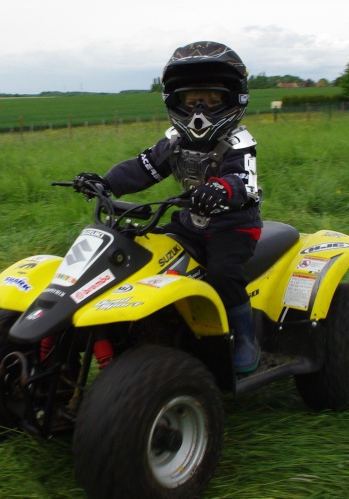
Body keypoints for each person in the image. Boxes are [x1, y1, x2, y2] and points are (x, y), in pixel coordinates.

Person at [74, 41, 262, 373]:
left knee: (223, 274)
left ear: (232, 100)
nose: (199, 112)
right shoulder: (174, 143)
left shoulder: (237, 143)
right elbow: (142, 167)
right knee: (147, 251)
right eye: (191, 101)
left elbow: (242, 181)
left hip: (233, 225)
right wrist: (105, 183)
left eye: (212, 100)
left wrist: (221, 188)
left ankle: (243, 338)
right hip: (190, 221)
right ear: (175, 101)